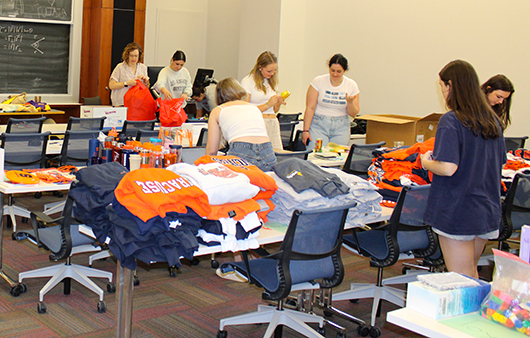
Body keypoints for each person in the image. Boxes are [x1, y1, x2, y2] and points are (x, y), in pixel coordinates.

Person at [420, 60, 506, 279]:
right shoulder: (492, 122)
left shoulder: (452, 120)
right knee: (471, 273)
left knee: (462, 280)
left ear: (450, 85)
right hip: (485, 209)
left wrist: (426, 162)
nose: (442, 93)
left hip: (458, 210)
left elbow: (448, 168)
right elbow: (500, 162)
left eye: (442, 87)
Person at [206, 77, 277, 172]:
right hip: (267, 151)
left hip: (241, 151)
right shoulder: (254, 108)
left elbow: (212, 151)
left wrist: (205, 167)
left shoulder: (218, 110)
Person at [302, 53, 360, 150]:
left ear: (344, 71)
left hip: (341, 126)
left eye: (339, 71)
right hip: (319, 124)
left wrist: (350, 103)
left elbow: (353, 113)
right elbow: (310, 107)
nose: (335, 74)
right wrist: (305, 130)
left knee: (337, 156)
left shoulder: (351, 85)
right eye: (332, 70)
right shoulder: (318, 81)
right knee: (316, 155)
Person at [241, 51, 285, 150]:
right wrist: (268, 104)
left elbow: (273, 111)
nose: (272, 74)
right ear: (260, 67)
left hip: (273, 122)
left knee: (277, 153)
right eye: (269, 71)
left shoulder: (271, 82)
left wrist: (277, 104)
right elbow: (245, 109)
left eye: (274, 71)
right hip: (258, 123)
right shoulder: (248, 81)